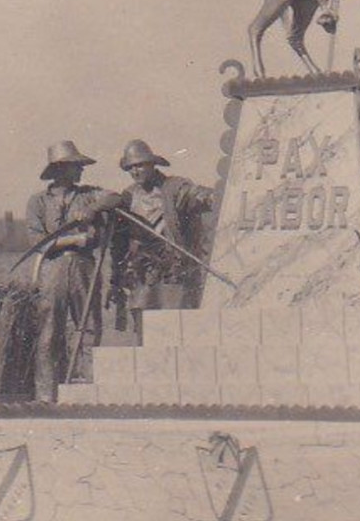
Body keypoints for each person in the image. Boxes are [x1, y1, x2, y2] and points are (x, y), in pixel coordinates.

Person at [26, 141, 122, 401]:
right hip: (52, 269)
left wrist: (92, 209)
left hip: (84, 268)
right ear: (60, 169)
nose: (81, 170)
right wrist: (76, 239)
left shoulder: (88, 194)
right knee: (49, 332)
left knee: (89, 327)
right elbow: (39, 243)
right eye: (76, 166)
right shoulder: (38, 202)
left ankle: (89, 392)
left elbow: (117, 197)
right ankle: (46, 396)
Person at [115, 139, 217, 338]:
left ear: (152, 164)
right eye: (131, 168)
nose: (135, 171)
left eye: (140, 165)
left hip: (173, 271)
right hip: (142, 274)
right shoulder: (127, 196)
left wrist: (216, 196)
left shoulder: (174, 188)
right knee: (145, 333)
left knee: (176, 330)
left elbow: (197, 195)